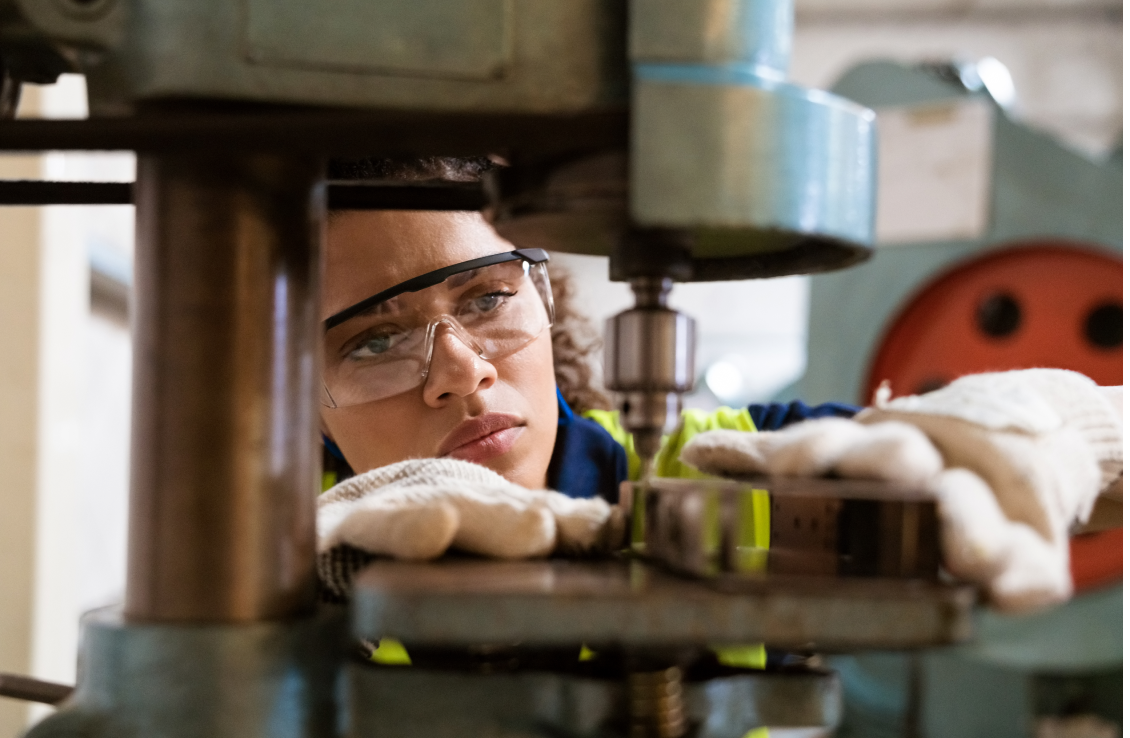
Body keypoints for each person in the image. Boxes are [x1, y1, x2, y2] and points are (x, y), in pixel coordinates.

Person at [316, 157, 1123, 621]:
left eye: (488, 299)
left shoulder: (729, 472)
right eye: (373, 340)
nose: (461, 372)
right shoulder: (253, 559)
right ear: (293, 392)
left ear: (547, 295)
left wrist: (1059, 428)